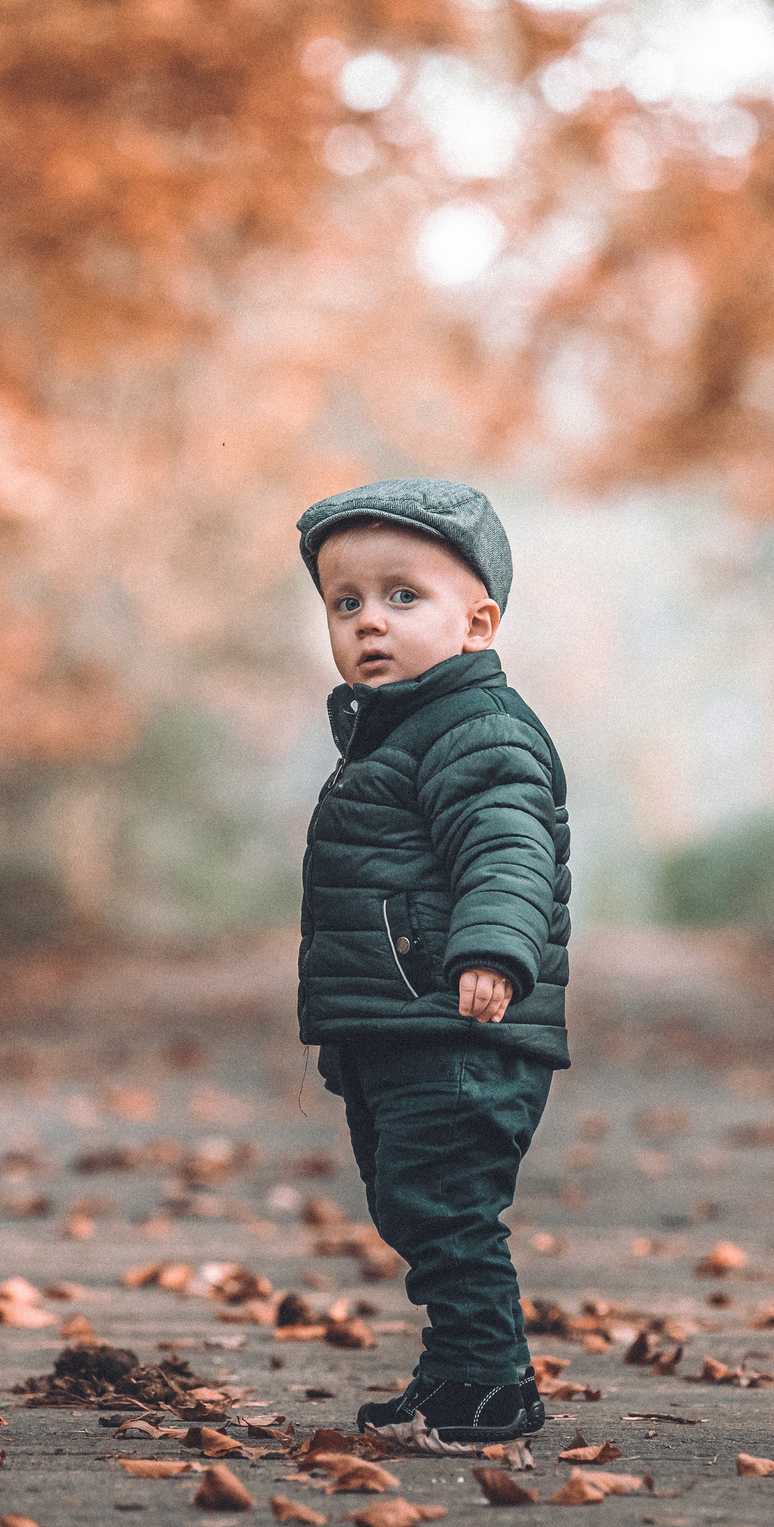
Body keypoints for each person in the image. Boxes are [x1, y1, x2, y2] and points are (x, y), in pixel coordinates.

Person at [293, 477, 572, 1452]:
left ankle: (491, 1386)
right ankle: (458, 1371)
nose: (371, 621)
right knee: (415, 1206)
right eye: (347, 601)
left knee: (444, 1208)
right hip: (399, 1029)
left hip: (459, 1025)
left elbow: (507, 846)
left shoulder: (475, 728)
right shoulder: (392, 733)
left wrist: (492, 950)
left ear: (477, 621)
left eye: (403, 596)